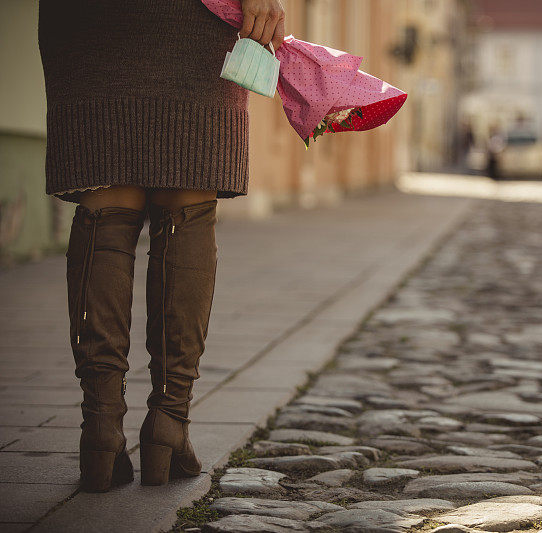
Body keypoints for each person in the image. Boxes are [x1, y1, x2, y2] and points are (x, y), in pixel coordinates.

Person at [37, 0, 286, 492]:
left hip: (87, 23)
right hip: (190, 16)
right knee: (186, 200)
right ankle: (168, 426)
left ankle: (101, 431)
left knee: (103, 205)